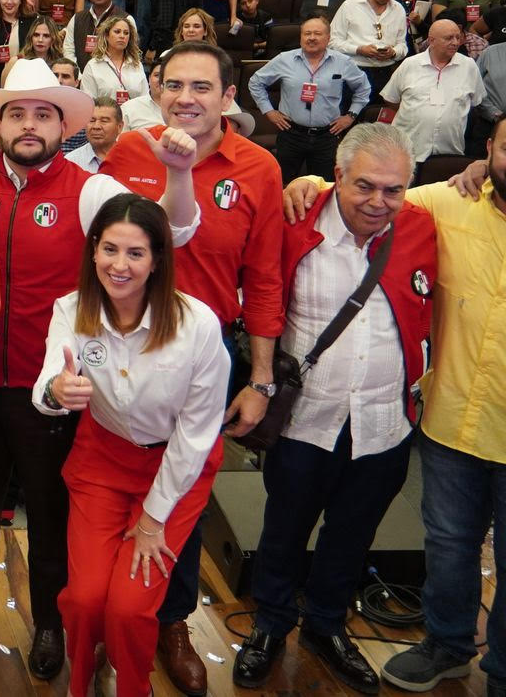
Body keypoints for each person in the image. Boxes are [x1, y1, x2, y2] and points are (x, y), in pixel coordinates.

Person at [0, 58, 199, 665]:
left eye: (43, 114)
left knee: (52, 512)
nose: (29, 126)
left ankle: (52, 622)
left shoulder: (89, 189)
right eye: (17, 114)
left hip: (55, 389)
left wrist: (181, 174)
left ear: (64, 127)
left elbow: (170, 229)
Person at [100, 41, 286, 696]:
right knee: (109, 487)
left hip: (206, 363)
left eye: (201, 86)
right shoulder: (128, 153)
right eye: (174, 84)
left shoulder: (260, 168)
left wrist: (261, 379)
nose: (186, 97)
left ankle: (170, 622)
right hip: (120, 351)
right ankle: (105, 616)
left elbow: (264, 278)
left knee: (182, 494)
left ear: (229, 96)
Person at [231, 124, 436, 694]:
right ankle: (270, 625)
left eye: (393, 190)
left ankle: (326, 624)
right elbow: (260, 294)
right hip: (306, 422)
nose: (378, 202)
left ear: (409, 189)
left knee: (352, 534)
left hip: (384, 425)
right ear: (337, 176)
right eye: (364, 186)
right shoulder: (295, 218)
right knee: (283, 530)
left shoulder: (424, 227)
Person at [36, 194, 229, 697]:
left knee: (129, 605)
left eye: (136, 253)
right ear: (93, 251)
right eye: (109, 249)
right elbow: (45, 387)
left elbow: (196, 433)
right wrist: (57, 392)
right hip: (102, 461)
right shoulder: (72, 310)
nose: (119, 265)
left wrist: (152, 519)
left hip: (175, 470)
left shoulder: (197, 326)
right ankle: (84, 679)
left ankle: (132, 685)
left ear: (158, 259)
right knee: (82, 600)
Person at [247, 17, 371, 182]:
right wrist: (269, 111)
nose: (311, 37)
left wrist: (351, 116)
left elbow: (364, 89)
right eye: (307, 33)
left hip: (327, 136)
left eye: (317, 33)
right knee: (281, 183)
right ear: (301, 37)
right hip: (291, 134)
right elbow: (255, 82)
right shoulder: (285, 59)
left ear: (328, 38)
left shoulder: (343, 62)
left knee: (323, 187)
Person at [380, 19, 484, 164]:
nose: (455, 42)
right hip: (407, 153)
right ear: (431, 41)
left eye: (458, 37)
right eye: (449, 38)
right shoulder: (410, 65)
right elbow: (391, 99)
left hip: (450, 153)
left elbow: (475, 102)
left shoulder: (469, 66)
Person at [80, 14, 149, 105]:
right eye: (117, 32)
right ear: (107, 36)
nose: (122, 36)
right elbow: (87, 102)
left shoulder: (136, 64)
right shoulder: (93, 66)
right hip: (104, 117)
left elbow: (145, 98)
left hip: (133, 117)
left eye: (126, 33)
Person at [67, 97, 125, 172]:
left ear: (119, 127)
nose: (96, 126)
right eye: (91, 120)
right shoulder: (72, 163)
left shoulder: (133, 158)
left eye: (104, 121)